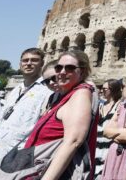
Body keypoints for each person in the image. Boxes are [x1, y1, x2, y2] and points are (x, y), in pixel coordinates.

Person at [0, 48, 53, 180]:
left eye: (34, 60)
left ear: (42, 63)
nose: (29, 63)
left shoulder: (48, 92)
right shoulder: (16, 89)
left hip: (16, 166)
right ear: (20, 63)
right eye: (25, 60)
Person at [23, 51, 98, 180]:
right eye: (59, 67)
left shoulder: (81, 93)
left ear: (82, 71)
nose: (62, 72)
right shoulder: (64, 96)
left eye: (70, 68)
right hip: (37, 169)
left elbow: (73, 142)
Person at [94, 78, 122, 179]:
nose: (101, 90)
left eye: (104, 89)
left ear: (112, 90)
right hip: (97, 145)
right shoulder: (101, 105)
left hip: (108, 146)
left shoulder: (120, 106)